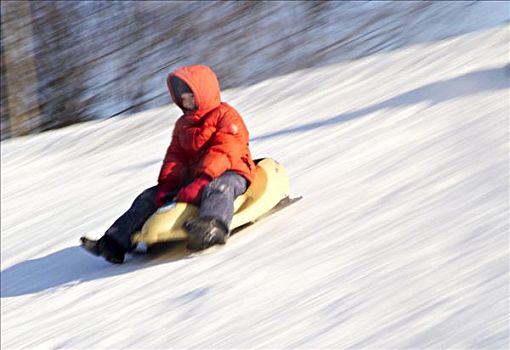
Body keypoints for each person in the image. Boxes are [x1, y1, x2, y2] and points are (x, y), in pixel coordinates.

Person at [82, 65, 255, 264]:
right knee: (149, 196)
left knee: (217, 188)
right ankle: (114, 242)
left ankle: (212, 226)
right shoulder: (183, 124)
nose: (186, 102)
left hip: (231, 172)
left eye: (191, 97)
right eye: (183, 98)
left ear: (203, 94)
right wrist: (168, 184)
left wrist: (204, 177)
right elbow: (176, 156)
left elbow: (224, 150)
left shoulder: (226, 116)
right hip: (194, 177)